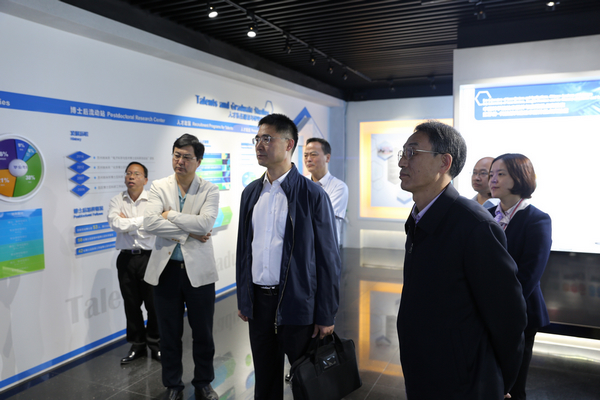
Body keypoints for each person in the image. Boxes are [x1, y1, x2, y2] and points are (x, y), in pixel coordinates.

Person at [396, 120, 527, 399]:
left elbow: (509, 317)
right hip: (423, 368)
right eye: (403, 153)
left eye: (412, 152)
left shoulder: (474, 225)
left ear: (444, 162)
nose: (402, 162)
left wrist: (499, 383)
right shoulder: (419, 217)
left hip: (462, 381)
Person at [236, 113, 341, 400]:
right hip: (259, 304)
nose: (259, 145)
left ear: (289, 144)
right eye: (257, 139)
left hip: (298, 302)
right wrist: (244, 297)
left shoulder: (312, 194)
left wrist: (326, 313)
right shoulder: (251, 193)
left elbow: (328, 259)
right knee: (265, 380)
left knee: (306, 381)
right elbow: (244, 251)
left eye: (267, 139)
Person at [144, 134, 219, 400]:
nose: (180, 161)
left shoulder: (209, 189)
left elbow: (205, 224)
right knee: (169, 334)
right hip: (166, 272)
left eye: (187, 157)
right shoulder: (159, 186)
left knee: (203, 333)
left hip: (199, 273)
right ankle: (173, 385)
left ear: (198, 161)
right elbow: (149, 223)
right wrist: (190, 232)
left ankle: (203, 382)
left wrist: (170, 216)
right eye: (177, 155)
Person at [489, 154, 552, 400]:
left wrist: (501, 306)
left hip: (519, 312)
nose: (493, 179)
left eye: (500, 174)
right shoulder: (486, 213)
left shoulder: (537, 219)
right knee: (487, 378)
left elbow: (530, 274)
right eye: (491, 174)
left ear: (519, 177)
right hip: (486, 309)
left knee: (513, 385)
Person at [107, 161, 160, 364]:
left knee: (153, 304)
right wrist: (141, 222)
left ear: (145, 180)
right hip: (126, 258)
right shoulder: (116, 200)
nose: (131, 176)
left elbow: (155, 225)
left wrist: (128, 222)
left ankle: (155, 343)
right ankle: (137, 345)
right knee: (131, 304)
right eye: (128, 173)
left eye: (136, 174)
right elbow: (115, 224)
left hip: (149, 257)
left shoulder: (154, 201)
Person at [303, 137, 349, 245]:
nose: (308, 159)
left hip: (326, 247)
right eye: (306, 155)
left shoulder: (339, 187)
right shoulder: (301, 183)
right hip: (304, 246)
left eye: (313, 154)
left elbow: (323, 218)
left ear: (327, 158)